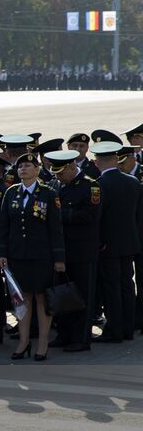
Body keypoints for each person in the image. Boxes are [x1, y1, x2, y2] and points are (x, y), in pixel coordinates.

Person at [0, 152, 66, 361]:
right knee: (22, 299)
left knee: (41, 298)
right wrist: (1, 252)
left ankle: (43, 342)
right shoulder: (11, 193)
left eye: (28, 166)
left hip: (41, 256)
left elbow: (56, 228)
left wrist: (59, 258)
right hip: (18, 255)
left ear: (37, 170)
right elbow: (3, 227)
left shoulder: (48, 193)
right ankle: (24, 341)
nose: (23, 169)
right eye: (20, 167)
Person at [46, 148, 100, 352]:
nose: (58, 176)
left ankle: (81, 337)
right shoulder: (56, 185)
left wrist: (60, 215)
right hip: (62, 250)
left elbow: (89, 216)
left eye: (61, 172)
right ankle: (64, 333)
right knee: (63, 294)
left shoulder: (90, 186)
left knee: (83, 295)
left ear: (71, 166)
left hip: (82, 250)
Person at [93, 141, 140, 343]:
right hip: (130, 242)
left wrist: (99, 241)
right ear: (117, 159)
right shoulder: (133, 182)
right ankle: (128, 328)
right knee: (127, 285)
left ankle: (115, 330)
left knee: (111, 288)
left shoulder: (98, 185)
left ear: (96, 163)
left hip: (108, 245)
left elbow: (98, 219)